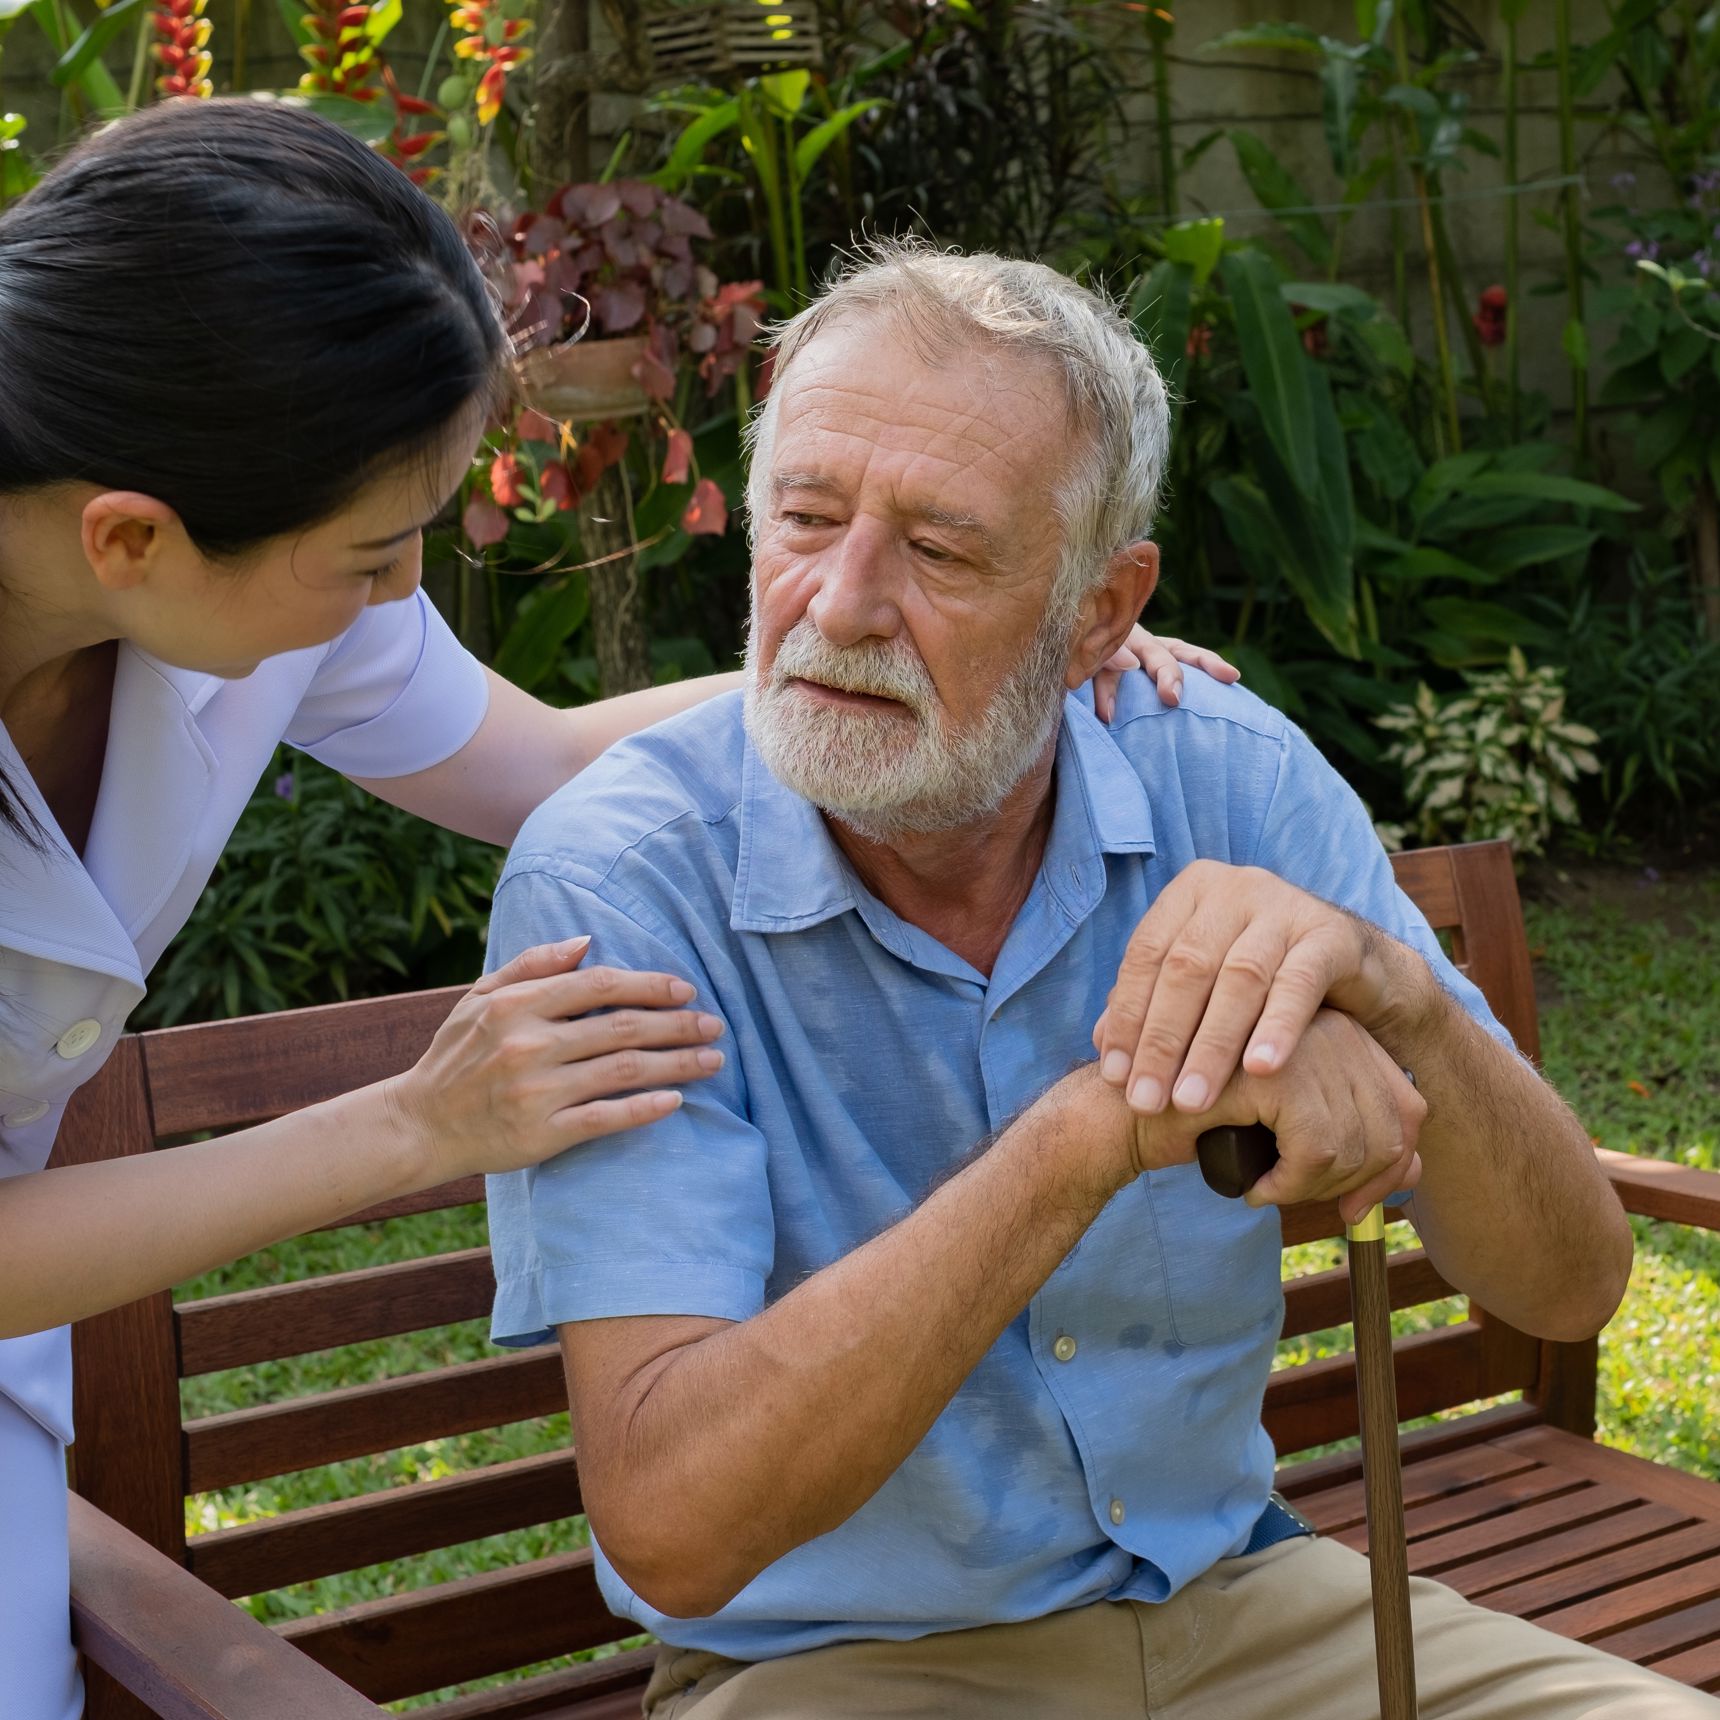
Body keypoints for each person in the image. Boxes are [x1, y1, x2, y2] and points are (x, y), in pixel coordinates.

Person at [0, 108, 1218, 1719]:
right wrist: (415, 1126)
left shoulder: (239, 554)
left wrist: (993, 655)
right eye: (373, 552)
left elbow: (547, 763)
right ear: (131, 539)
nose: (398, 591)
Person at [483, 244, 1708, 1720]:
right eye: (804, 519)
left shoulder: (1228, 775)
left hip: (1242, 1606)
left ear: (1100, 612)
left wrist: (1396, 995)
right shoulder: (623, 887)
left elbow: (1569, 1288)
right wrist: (1092, 1134)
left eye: (940, 552)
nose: (841, 602)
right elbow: (675, 1530)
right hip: (837, 1669)